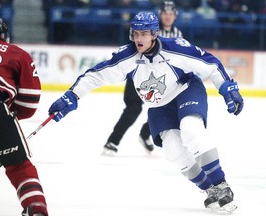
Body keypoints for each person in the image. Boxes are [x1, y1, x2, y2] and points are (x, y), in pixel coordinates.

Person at [48, 11, 243, 211]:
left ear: (154, 34)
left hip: (186, 90)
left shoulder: (175, 48)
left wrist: (227, 87)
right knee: (173, 150)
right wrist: (72, 95)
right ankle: (210, 189)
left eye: (144, 34)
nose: (139, 38)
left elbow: (210, 64)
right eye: (136, 33)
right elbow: (96, 76)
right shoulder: (127, 57)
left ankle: (222, 185)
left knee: (190, 129)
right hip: (158, 105)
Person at [0, 18, 48, 216]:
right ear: (5, 36)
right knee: (19, 166)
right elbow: (29, 102)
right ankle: (36, 209)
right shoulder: (18, 53)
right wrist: (6, 118)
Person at [102, 1, 183, 156]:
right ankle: (112, 142)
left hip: (161, 78)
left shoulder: (177, 34)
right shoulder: (146, 28)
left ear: (175, 16)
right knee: (133, 108)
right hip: (138, 73)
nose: (167, 16)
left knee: (167, 108)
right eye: (165, 13)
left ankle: (145, 134)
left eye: (170, 13)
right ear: (160, 14)